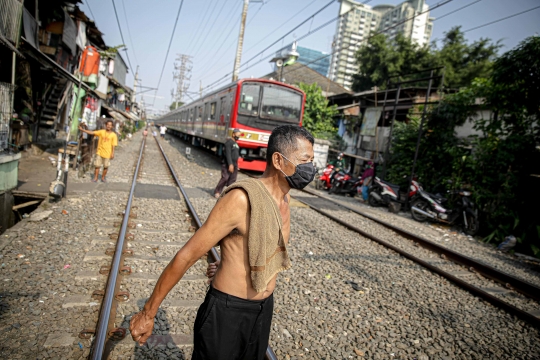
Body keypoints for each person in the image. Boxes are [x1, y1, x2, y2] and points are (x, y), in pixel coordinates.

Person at [129, 125, 316, 360]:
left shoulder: (285, 200)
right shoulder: (240, 199)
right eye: (305, 160)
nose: (310, 168)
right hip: (227, 311)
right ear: (278, 160)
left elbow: (262, 250)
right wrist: (148, 312)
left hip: (262, 310)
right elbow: (187, 255)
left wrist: (230, 260)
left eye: (312, 160)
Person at [213, 128, 242, 199]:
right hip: (227, 164)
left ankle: (228, 193)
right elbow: (228, 154)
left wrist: (236, 165)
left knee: (232, 180)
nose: (238, 137)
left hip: (234, 164)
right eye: (237, 135)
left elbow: (236, 154)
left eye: (239, 135)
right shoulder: (228, 143)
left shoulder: (236, 144)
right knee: (225, 178)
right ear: (233, 134)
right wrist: (230, 164)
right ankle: (217, 191)